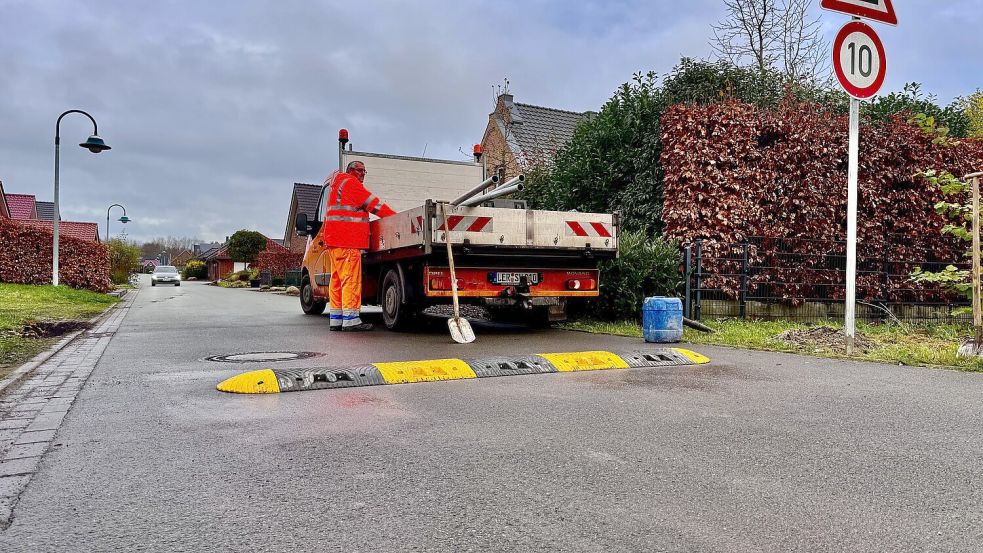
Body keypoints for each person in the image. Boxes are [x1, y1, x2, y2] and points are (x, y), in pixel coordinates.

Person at [323, 161, 397, 331]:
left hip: (335, 241)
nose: (363, 174)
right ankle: (350, 320)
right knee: (350, 280)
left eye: (365, 171)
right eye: (360, 170)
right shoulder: (351, 184)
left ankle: (336, 319)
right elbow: (376, 206)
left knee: (338, 280)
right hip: (347, 241)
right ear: (351, 171)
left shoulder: (338, 186)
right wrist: (399, 219)